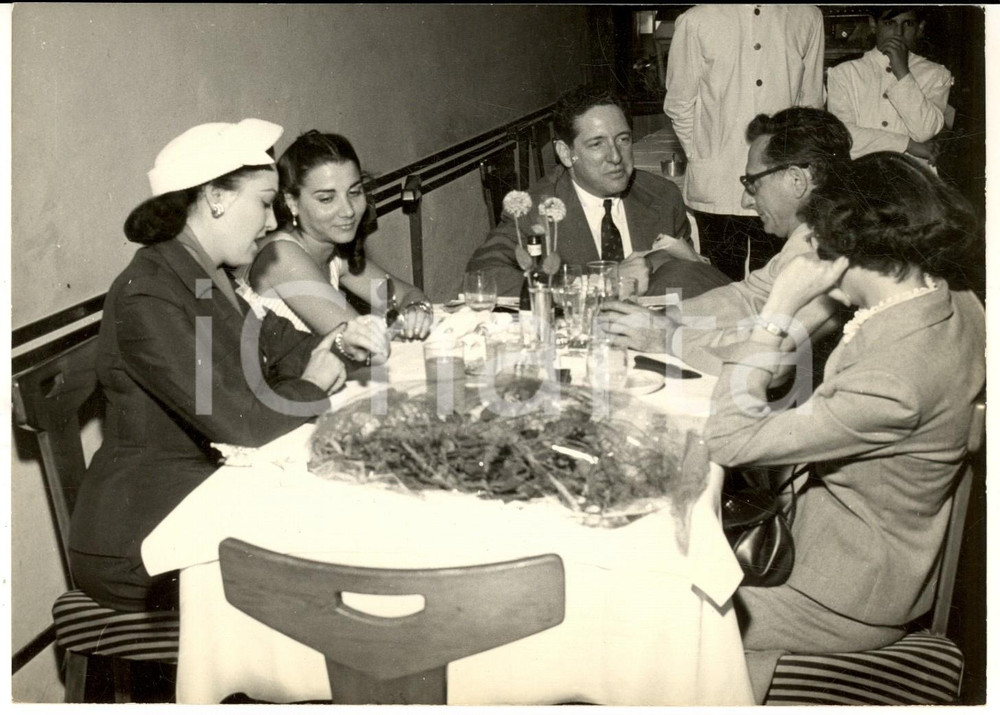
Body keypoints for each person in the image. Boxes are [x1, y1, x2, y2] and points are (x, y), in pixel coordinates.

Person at [702, 151, 985, 702]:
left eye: (819, 239)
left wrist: (781, 302)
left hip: (840, 595)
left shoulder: (894, 380)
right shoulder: (949, 297)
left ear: (849, 245)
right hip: (868, 545)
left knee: (666, 615)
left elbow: (728, 437)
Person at [68, 119, 376, 612]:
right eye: (262, 202)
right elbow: (241, 425)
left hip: (205, 496)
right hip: (143, 539)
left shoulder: (203, 276)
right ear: (215, 198)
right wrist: (314, 382)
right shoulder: (149, 293)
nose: (273, 222)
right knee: (332, 566)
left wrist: (343, 346)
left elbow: (286, 349)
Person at [600, 107, 852, 377]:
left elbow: (770, 362)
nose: (746, 201)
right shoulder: (813, 231)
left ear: (796, 179)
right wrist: (662, 318)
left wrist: (664, 337)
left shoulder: (828, 250)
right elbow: (748, 297)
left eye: (752, 184)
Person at [465, 85, 719, 299]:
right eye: (597, 144)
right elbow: (484, 276)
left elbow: (689, 282)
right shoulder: (534, 209)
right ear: (566, 153)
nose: (616, 157)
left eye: (623, 139)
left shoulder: (663, 196)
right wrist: (598, 283)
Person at [664, 4, 826, 281]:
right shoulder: (697, 19)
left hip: (781, 186)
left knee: (779, 283)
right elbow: (679, 104)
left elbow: (810, 105)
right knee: (720, 284)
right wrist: (705, 154)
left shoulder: (807, 16)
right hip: (718, 186)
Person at [236, 131, 431, 356]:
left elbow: (408, 294)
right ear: (292, 202)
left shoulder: (334, 253)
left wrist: (417, 310)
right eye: (327, 199)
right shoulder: (283, 256)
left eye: (354, 192)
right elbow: (365, 343)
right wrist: (403, 324)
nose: (348, 210)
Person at [827, 7, 952, 168]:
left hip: (913, 178)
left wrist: (903, 72)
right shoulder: (844, 72)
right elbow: (844, 136)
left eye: (908, 23)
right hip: (860, 175)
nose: (898, 32)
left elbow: (925, 131)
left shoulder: (936, 74)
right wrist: (908, 145)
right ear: (873, 25)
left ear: (920, 28)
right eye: (889, 23)